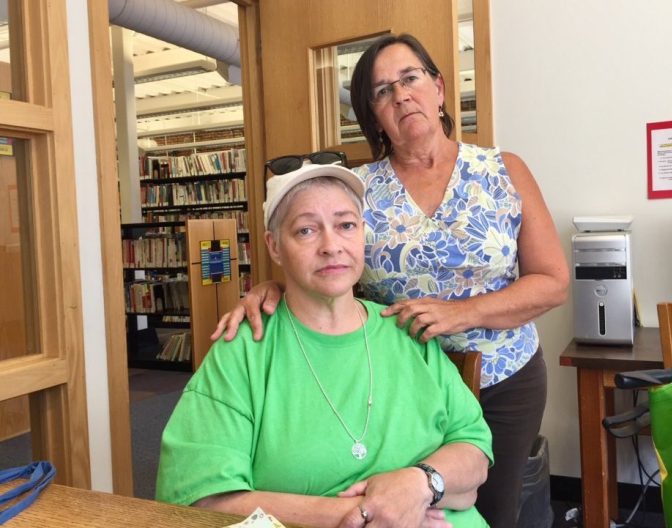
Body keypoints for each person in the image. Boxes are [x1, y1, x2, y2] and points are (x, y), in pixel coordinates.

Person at [212, 33, 569, 528]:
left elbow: (553, 281)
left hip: (503, 376)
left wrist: (460, 314)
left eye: (410, 79)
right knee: (397, 505)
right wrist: (271, 287)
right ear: (372, 115)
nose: (400, 95)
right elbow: (328, 259)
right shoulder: (359, 189)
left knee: (491, 510)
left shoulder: (502, 170)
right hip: (396, 384)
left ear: (439, 88)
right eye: (381, 91)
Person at [156, 163, 493, 528]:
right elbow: (200, 497)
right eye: (306, 230)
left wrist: (421, 482)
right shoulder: (244, 350)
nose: (331, 246)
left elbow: (474, 453)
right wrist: (372, 514)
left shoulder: (408, 334)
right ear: (274, 247)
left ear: (363, 233)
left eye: (346, 225)